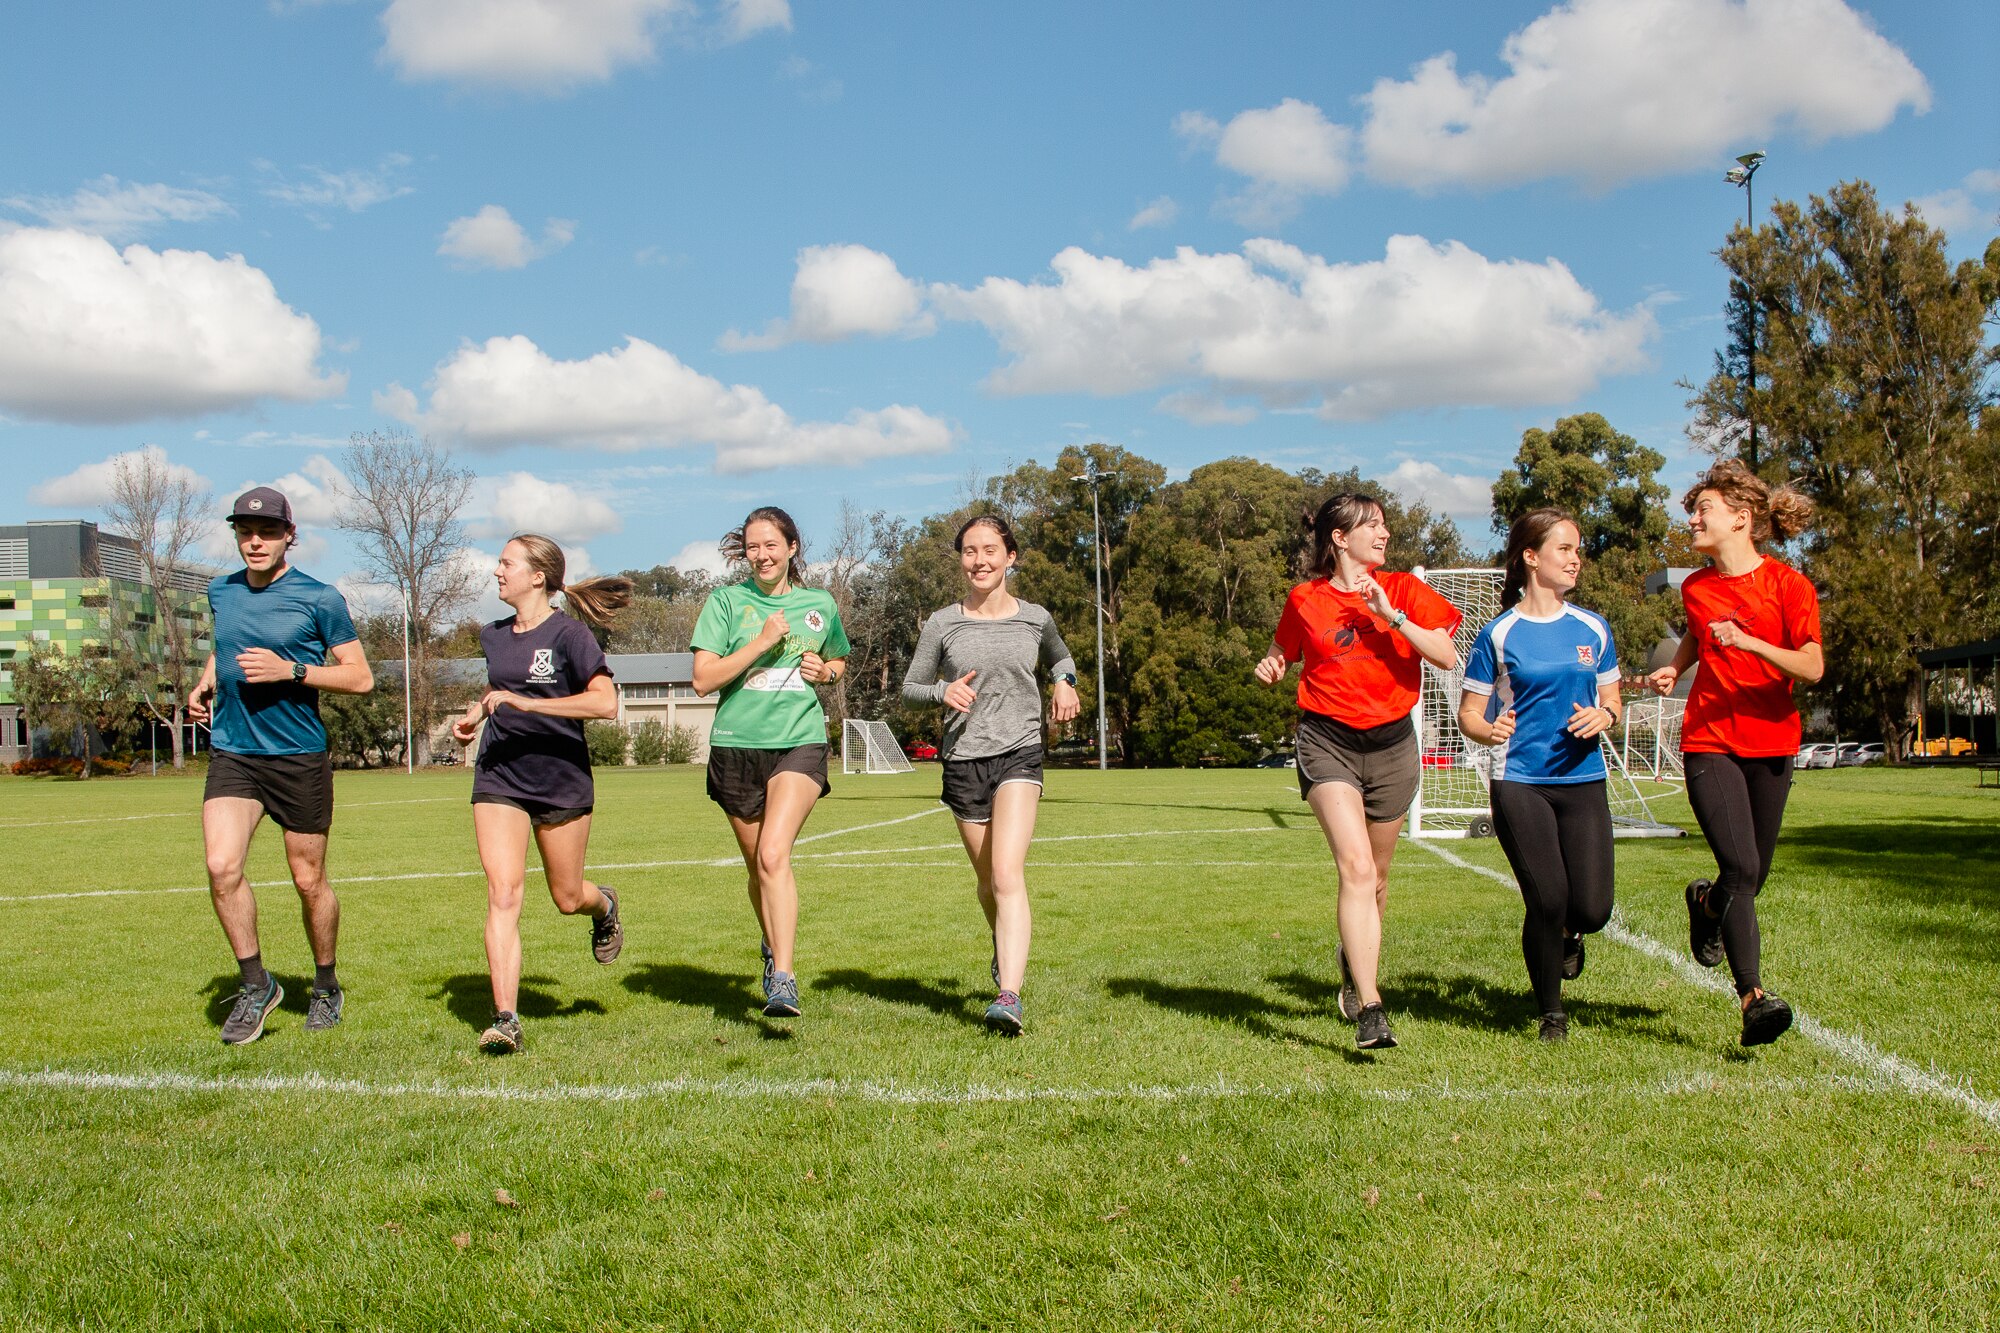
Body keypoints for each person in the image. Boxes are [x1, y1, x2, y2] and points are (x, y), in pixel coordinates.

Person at [1254, 494, 1461, 1050]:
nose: (1384, 534)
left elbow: (1444, 655)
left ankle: (1354, 963)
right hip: (1327, 740)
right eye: (1372, 526)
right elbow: (1283, 649)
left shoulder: (1405, 591)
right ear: (1339, 538)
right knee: (1356, 868)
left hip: (1393, 744)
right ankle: (1372, 1007)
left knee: (1378, 878)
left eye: (1386, 525)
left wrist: (1388, 616)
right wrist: (1273, 665)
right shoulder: (1305, 598)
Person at [187, 487, 374, 1045]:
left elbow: (360, 677)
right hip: (235, 752)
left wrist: (290, 670)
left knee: (307, 879)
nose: (255, 541)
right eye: (245, 531)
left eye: (266, 531)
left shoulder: (319, 598)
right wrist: (208, 678)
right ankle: (256, 985)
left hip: (297, 757)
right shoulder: (222, 591)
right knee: (222, 867)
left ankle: (325, 984)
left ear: (289, 534)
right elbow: (228, 646)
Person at [1646, 459, 1821, 1047]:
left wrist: (1749, 640)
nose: (1693, 518)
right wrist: (1676, 666)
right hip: (1709, 740)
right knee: (1743, 869)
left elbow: (1812, 666)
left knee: (1751, 876)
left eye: (1704, 510)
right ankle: (1753, 998)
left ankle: (1705, 901)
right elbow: (1698, 632)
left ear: (1742, 520)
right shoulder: (1696, 586)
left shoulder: (1789, 586)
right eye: (1693, 509)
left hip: (1773, 742)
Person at [449, 535, 633, 1055]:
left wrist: (526, 706)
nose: (496, 571)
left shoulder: (571, 635)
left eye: (506, 563)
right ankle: (505, 1018)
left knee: (566, 896)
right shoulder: (492, 635)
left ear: (538, 576)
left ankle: (604, 906)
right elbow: (497, 692)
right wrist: (478, 713)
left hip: (560, 778)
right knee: (503, 893)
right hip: (499, 775)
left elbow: (604, 705)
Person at [901, 514, 1080, 1035]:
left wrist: (1064, 682)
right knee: (987, 882)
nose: (980, 560)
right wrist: (943, 691)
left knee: (1006, 873)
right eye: (970, 552)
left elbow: (1060, 655)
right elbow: (911, 687)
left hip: (1020, 751)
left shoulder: (1035, 618)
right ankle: (1004, 952)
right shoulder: (942, 623)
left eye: (990, 550)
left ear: (1010, 557)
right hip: (962, 759)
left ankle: (1009, 995)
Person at [1457, 509, 1623, 1042]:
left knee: (1592, 909)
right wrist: (1487, 731)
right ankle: (1551, 1011)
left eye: (1578, 550)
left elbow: (1611, 697)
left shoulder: (1593, 627)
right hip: (1519, 782)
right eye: (1565, 549)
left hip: (1583, 780)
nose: (1575, 560)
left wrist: (1607, 715)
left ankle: (1573, 935)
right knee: (1547, 898)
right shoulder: (1498, 635)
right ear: (1531, 557)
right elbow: (1469, 713)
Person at [690, 507, 850, 1019]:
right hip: (736, 746)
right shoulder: (725, 603)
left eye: (770, 545)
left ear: (792, 547)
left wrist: (825, 670)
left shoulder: (819, 604)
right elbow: (702, 679)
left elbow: (839, 660)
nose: (761, 555)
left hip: (799, 742)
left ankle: (783, 977)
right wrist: (761, 643)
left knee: (774, 855)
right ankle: (770, 942)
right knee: (758, 865)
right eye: (752, 547)